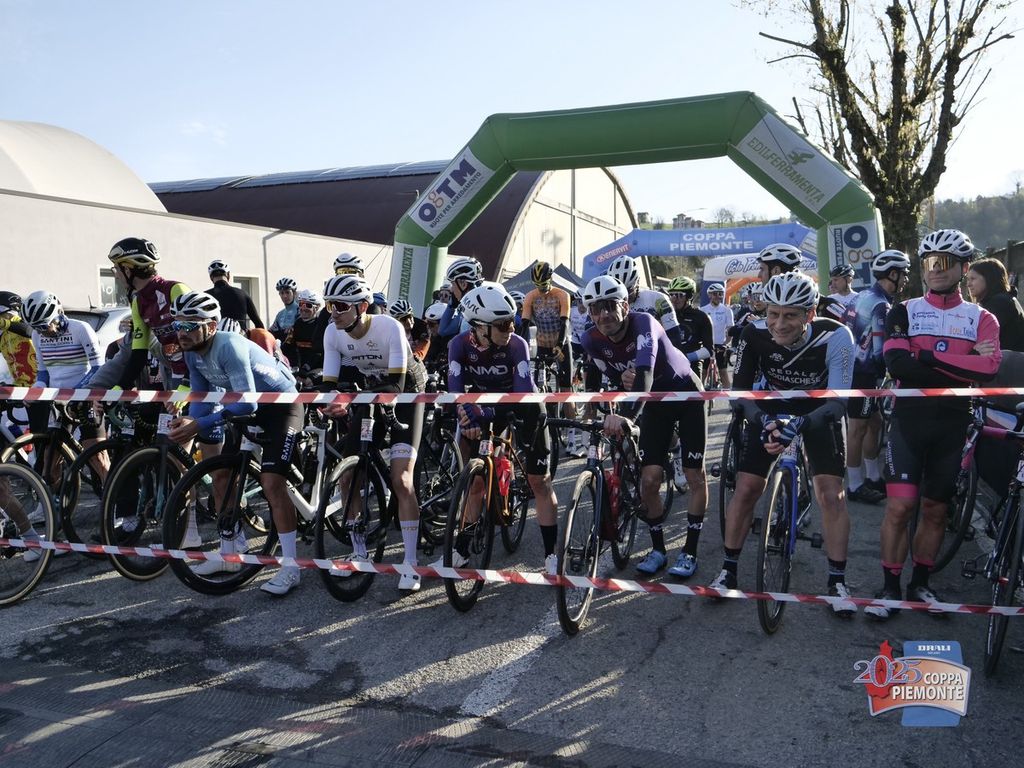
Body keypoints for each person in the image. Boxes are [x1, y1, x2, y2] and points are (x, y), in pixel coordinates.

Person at [866, 229, 1002, 619]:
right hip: (909, 421)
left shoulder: (982, 317)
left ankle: (921, 584)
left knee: (936, 510)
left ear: (963, 267)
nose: (935, 269)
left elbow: (989, 370)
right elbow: (897, 364)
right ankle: (889, 588)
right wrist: (963, 363)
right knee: (899, 508)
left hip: (953, 425)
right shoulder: (904, 311)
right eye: (929, 262)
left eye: (944, 262)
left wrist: (924, 356)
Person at [709, 271, 858, 616]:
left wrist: (803, 423)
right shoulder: (753, 333)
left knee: (831, 495)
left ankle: (837, 581)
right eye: (773, 313)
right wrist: (764, 421)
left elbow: (838, 402)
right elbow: (739, 395)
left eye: (790, 315)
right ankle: (728, 570)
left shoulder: (837, 335)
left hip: (819, 410)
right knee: (747, 487)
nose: (779, 323)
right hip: (771, 408)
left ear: (810, 313)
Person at [165, 292, 303, 596]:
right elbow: (201, 399)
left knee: (271, 483)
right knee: (222, 476)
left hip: (281, 406)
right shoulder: (192, 352)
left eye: (189, 325)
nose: (181, 332)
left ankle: (291, 567)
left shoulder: (229, 346)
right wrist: (190, 422)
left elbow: (248, 403)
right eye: (177, 325)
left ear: (211, 326)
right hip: (247, 408)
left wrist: (199, 424)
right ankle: (230, 553)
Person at [580, 275, 707, 579]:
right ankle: (658, 550)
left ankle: (690, 551)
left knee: (694, 476)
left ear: (625, 305)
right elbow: (602, 381)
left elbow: (645, 374)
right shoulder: (590, 339)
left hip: (685, 394)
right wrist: (594, 411)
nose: (604, 314)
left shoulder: (644, 324)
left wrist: (627, 417)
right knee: (649, 481)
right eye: (596, 308)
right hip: (654, 405)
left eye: (610, 306)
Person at [441, 282, 560, 573]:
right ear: (480, 328)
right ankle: (462, 549)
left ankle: (552, 555)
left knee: (539, 482)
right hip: (484, 405)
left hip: (524, 406)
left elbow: (520, 397)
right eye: (503, 325)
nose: (511, 329)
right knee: (476, 483)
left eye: (512, 322)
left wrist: (481, 412)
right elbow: (456, 393)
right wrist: (465, 415)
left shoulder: (517, 345)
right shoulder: (458, 346)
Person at [320, 275, 427, 592]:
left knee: (401, 479)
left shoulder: (389, 327)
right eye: (330, 305)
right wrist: (331, 401)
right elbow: (329, 383)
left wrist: (347, 398)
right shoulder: (332, 332)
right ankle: (358, 552)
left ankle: (411, 563)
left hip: (407, 395)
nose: (333, 313)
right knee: (348, 475)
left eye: (340, 306)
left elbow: (396, 386)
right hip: (370, 393)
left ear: (362, 307)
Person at [843, 250, 912, 504]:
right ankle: (854, 485)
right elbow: (881, 351)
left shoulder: (861, 295)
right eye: (904, 274)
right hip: (863, 373)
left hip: (852, 368)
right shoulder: (882, 305)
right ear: (892, 274)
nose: (906, 279)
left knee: (875, 423)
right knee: (857, 428)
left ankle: (872, 477)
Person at [23, 290, 108, 487]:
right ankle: (52, 502)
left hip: (85, 396)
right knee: (50, 459)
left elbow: (98, 368)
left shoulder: (81, 329)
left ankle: (115, 499)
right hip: (58, 401)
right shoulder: (37, 335)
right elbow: (43, 373)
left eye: (44, 325)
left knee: (97, 456)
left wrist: (74, 393)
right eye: (35, 327)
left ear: (59, 313)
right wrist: (36, 389)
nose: (41, 332)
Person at [106, 237, 190, 390]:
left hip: (201, 373)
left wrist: (188, 382)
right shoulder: (138, 303)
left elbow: (200, 340)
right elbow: (139, 354)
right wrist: (120, 387)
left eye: (116, 269)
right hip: (176, 371)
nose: (116, 275)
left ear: (127, 270)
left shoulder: (175, 290)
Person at [521, 261, 579, 453]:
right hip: (542, 346)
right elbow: (524, 326)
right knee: (539, 387)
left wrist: (560, 345)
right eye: (538, 285)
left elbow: (564, 323)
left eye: (544, 285)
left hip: (561, 346)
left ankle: (572, 438)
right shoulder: (530, 296)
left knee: (565, 389)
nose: (542, 289)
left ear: (551, 279)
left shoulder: (562, 295)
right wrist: (520, 349)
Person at [666, 275, 714, 493]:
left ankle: (690, 459)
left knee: (690, 420)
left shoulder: (701, 317)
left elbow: (709, 350)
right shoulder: (664, 316)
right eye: (672, 295)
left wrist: (685, 357)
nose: (674, 299)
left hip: (692, 369)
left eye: (679, 295)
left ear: (689, 297)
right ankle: (676, 451)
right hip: (667, 371)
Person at [966, 257, 1024, 352]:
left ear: (989, 278)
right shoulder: (1003, 300)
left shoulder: (1001, 303)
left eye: (973, 279)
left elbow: (979, 338)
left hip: (1008, 359)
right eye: (967, 279)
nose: (968, 284)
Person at [205, 260, 264, 330]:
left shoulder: (206, 296)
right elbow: (259, 324)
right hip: (240, 336)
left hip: (216, 336)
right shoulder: (242, 294)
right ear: (228, 275)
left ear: (211, 278)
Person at [288, 288, 330, 379]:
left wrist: (306, 368)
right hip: (301, 368)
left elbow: (319, 352)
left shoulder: (320, 324)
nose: (303, 308)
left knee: (309, 381)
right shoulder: (297, 324)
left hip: (319, 366)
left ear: (317, 307)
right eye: (301, 304)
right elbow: (290, 347)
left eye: (308, 305)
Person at [439, 257, 484, 339]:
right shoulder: (471, 305)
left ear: (463, 284)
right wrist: (452, 305)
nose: (451, 289)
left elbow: (443, 331)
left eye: (453, 284)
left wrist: (451, 306)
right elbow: (442, 331)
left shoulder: (473, 309)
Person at [700, 282, 734, 388]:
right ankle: (699, 394)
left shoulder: (727, 310)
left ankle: (729, 396)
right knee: (703, 372)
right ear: (709, 295)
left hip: (720, 344)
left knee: (723, 372)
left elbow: (730, 329)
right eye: (715, 294)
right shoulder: (703, 310)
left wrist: (726, 342)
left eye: (720, 294)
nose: (718, 296)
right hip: (706, 345)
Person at [0, 291, 37, 387]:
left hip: (40, 386)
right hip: (19, 387)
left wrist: (3, 323)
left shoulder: (26, 322)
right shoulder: (3, 334)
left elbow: (30, 331)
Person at [270, 277, 299, 363]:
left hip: (297, 355)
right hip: (282, 354)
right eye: (282, 293)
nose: (284, 296)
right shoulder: (280, 314)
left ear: (294, 293)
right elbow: (271, 332)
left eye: (287, 292)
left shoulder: (300, 310)